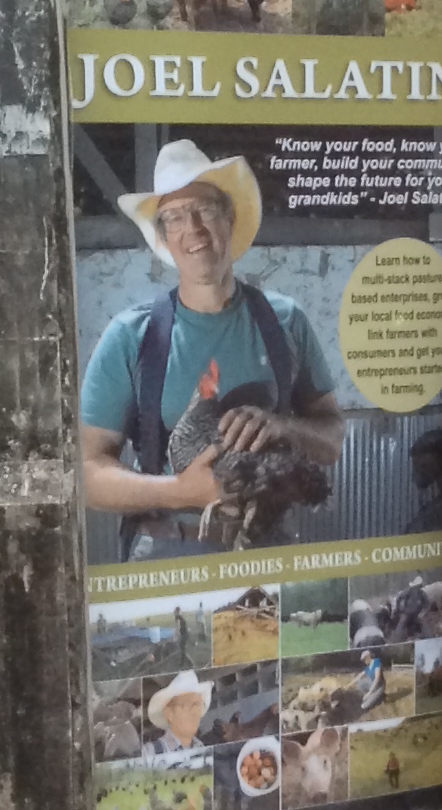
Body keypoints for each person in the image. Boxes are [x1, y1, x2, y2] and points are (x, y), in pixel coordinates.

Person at [79, 140, 345, 558]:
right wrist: (179, 491)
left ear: (230, 218)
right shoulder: (131, 336)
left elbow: (332, 441)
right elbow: (88, 475)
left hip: (268, 548)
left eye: (205, 210)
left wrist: (284, 427)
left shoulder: (285, 321)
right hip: (168, 553)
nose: (194, 229)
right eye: (174, 217)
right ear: (164, 237)